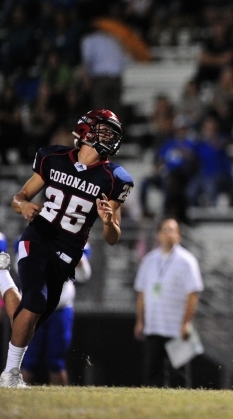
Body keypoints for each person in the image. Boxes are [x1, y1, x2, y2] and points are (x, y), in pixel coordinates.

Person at [0, 109, 134, 388]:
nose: (110, 138)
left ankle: (1, 278)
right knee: (34, 302)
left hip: (68, 252)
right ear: (86, 131)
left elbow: (113, 238)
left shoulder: (114, 178)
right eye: (105, 130)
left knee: (25, 320)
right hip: (38, 237)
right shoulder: (53, 158)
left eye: (113, 134)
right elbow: (19, 197)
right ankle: (10, 375)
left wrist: (109, 222)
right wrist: (23, 205)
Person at [133, 218, 204, 388]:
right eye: (164, 230)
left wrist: (186, 322)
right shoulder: (149, 260)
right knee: (153, 373)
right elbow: (142, 292)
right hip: (154, 325)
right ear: (158, 234)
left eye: (172, 230)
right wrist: (140, 321)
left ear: (179, 235)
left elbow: (193, 294)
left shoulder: (187, 261)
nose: (168, 234)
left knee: (179, 375)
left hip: (176, 326)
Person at [21, 243, 92, 385]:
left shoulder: (74, 240)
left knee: (56, 361)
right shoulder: (31, 238)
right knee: (28, 359)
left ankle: (59, 397)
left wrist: (76, 261)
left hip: (61, 309)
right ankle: (19, 398)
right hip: (34, 308)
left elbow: (84, 275)